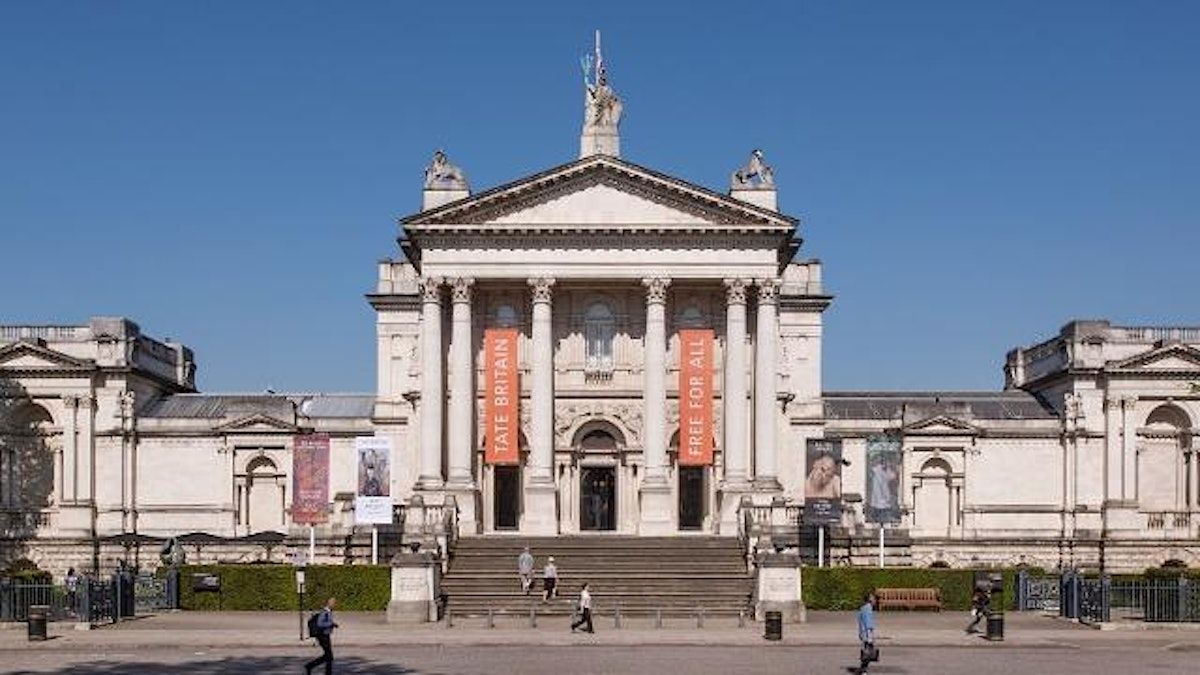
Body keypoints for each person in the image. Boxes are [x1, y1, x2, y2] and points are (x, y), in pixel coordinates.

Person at [305, 597, 338, 675]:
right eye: (333, 603)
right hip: (323, 636)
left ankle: (310, 666)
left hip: (325, 635)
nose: (335, 605)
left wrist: (333, 624)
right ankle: (310, 666)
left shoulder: (328, 612)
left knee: (328, 656)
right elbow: (320, 624)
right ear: (329, 604)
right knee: (329, 656)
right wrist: (331, 624)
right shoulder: (325, 612)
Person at [856, 591, 877, 674]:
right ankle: (863, 671)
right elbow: (868, 624)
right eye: (874, 599)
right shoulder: (868, 608)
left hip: (863, 634)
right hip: (867, 635)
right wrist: (870, 637)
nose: (875, 600)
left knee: (866, 653)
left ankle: (863, 670)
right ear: (870, 600)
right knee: (868, 654)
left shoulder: (864, 608)